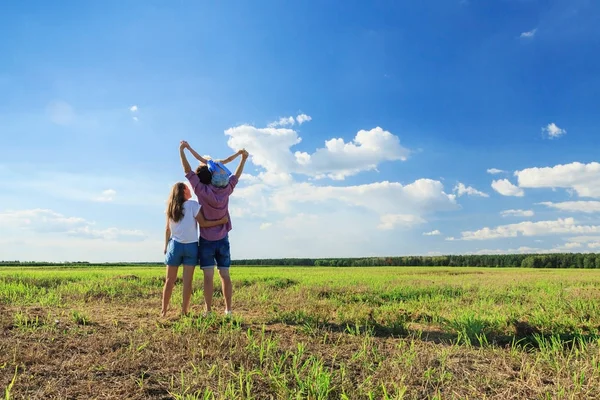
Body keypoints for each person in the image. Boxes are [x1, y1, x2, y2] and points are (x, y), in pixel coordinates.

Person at [179, 140, 249, 316]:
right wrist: (243, 159)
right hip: (223, 238)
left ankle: (208, 310)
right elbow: (236, 176)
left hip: (207, 240)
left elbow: (187, 171)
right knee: (225, 275)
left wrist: (183, 150)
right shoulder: (226, 190)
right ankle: (228, 310)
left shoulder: (201, 191)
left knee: (208, 278)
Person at [161, 182, 229, 317]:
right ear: (184, 191)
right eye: (187, 187)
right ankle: (184, 311)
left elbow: (167, 229)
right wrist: (221, 221)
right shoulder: (192, 205)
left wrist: (165, 246)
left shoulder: (170, 207)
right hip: (191, 246)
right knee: (187, 281)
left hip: (174, 245)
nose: (190, 189)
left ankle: (163, 311)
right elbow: (203, 223)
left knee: (169, 280)